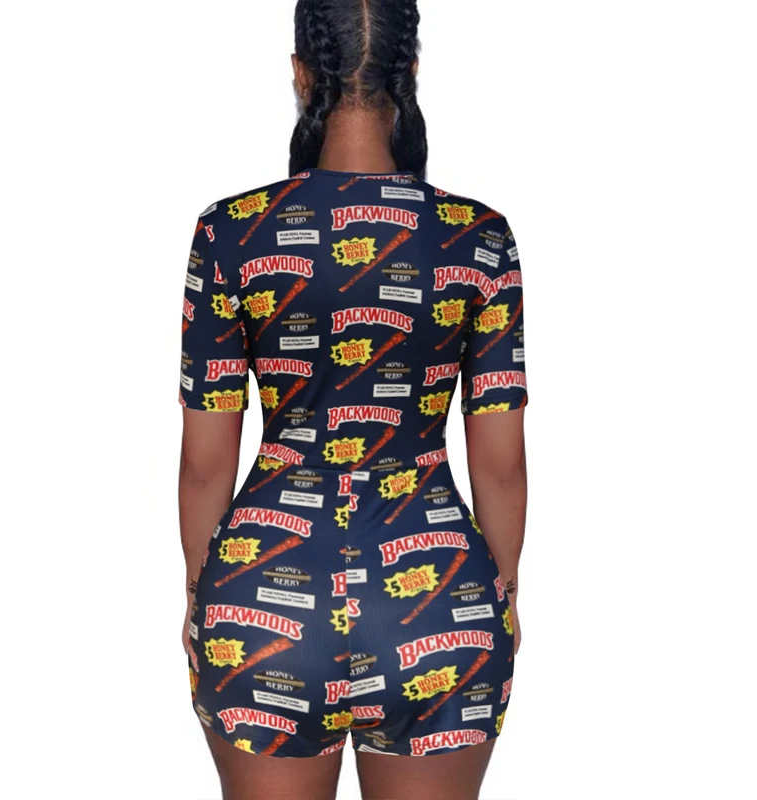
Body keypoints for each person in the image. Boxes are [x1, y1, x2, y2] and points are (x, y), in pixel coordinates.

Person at [177, 1, 527, 798]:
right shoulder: (480, 238)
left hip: (266, 600)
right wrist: (501, 595)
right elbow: (502, 467)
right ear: (411, 73)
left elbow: (203, 467)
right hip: (436, 603)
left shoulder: (230, 233)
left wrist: (201, 597)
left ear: (301, 75)